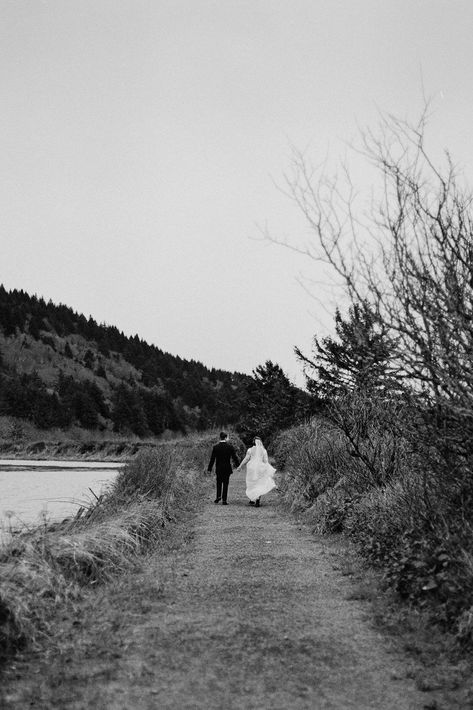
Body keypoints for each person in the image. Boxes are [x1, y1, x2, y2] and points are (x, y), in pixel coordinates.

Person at [236, 436, 276, 507]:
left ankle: (252, 499)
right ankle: (257, 500)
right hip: (260, 468)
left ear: (253, 442)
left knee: (252, 483)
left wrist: (240, 466)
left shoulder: (250, 450)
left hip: (251, 468)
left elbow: (246, 459)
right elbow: (266, 461)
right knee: (259, 483)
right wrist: (267, 469)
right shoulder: (263, 451)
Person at [207, 431, 239, 505]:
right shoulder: (230, 447)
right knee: (225, 483)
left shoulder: (215, 447)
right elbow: (235, 457)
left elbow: (212, 459)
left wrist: (209, 469)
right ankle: (224, 500)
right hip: (227, 468)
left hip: (219, 467)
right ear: (226, 437)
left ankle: (218, 496)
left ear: (220, 437)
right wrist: (238, 466)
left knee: (218, 482)